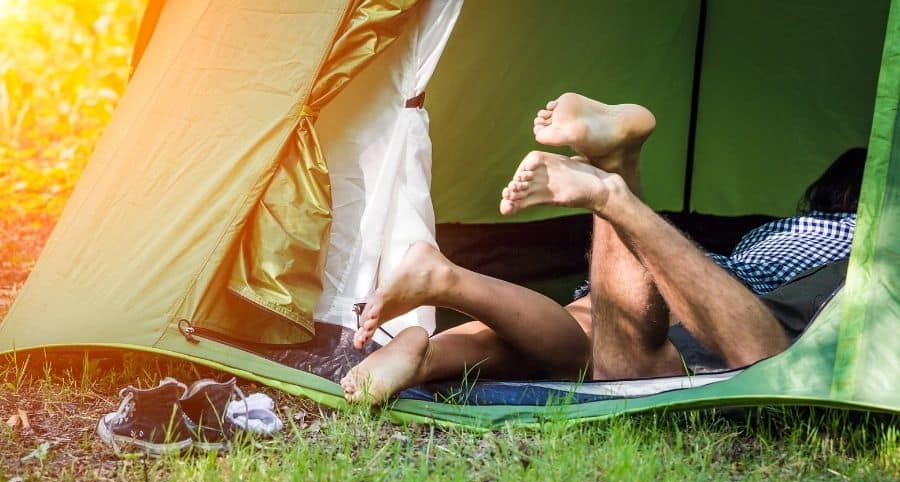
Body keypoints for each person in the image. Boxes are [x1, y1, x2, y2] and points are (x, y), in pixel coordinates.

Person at [340, 93, 866, 406]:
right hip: (723, 295)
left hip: (695, 267)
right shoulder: (860, 235)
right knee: (740, 364)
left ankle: (436, 324)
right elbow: (765, 345)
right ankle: (616, 184)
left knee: (575, 339)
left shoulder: (776, 231)